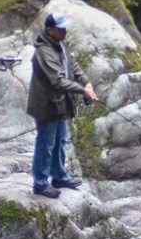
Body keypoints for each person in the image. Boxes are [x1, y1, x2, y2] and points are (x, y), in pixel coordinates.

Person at [26, 12, 98, 198]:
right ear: (50, 30)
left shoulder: (60, 45)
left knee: (60, 141)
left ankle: (59, 176)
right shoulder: (44, 52)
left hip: (60, 105)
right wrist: (82, 91)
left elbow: (73, 67)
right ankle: (40, 183)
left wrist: (86, 82)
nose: (65, 30)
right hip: (46, 107)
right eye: (61, 28)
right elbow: (57, 81)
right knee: (45, 145)